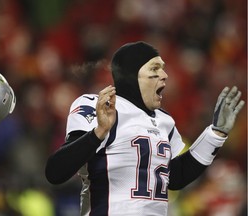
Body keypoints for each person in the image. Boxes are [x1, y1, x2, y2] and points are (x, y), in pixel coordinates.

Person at [45, 41, 245, 216]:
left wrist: (215, 134)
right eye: (155, 68)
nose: (165, 75)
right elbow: (56, 172)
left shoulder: (164, 120)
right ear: (133, 75)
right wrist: (99, 132)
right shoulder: (99, 106)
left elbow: (176, 177)